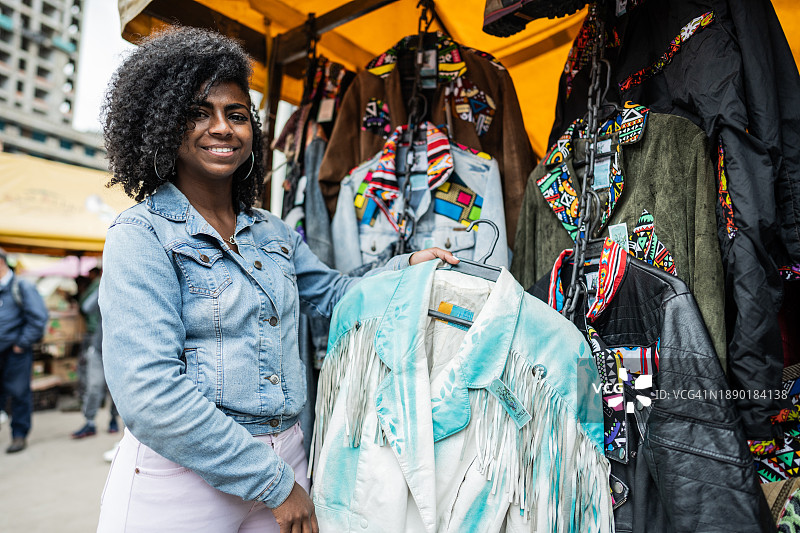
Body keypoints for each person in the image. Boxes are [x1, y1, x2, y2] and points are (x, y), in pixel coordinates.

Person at [97, 27, 457, 533]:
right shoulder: (141, 237)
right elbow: (150, 395)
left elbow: (335, 295)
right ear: (162, 125)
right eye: (199, 112)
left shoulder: (273, 233)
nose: (222, 128)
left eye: (236, 115)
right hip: (185, 479)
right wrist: (277, 485)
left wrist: (406, 267)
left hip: (286, 454)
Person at [0, 248, 48, 454]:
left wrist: (21, 344)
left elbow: (38, 319)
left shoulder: (22, 286)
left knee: (19, 393)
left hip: (15, 351)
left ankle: (19, 435)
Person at [71, 267, 120, 439]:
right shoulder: (104, 288)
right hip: (98, 348)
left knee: (116, 390)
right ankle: (89, 422)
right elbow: (86, 307)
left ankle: (114, 419)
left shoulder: (129, 290)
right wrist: (104, 284)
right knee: (93, 387)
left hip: (119, 351)